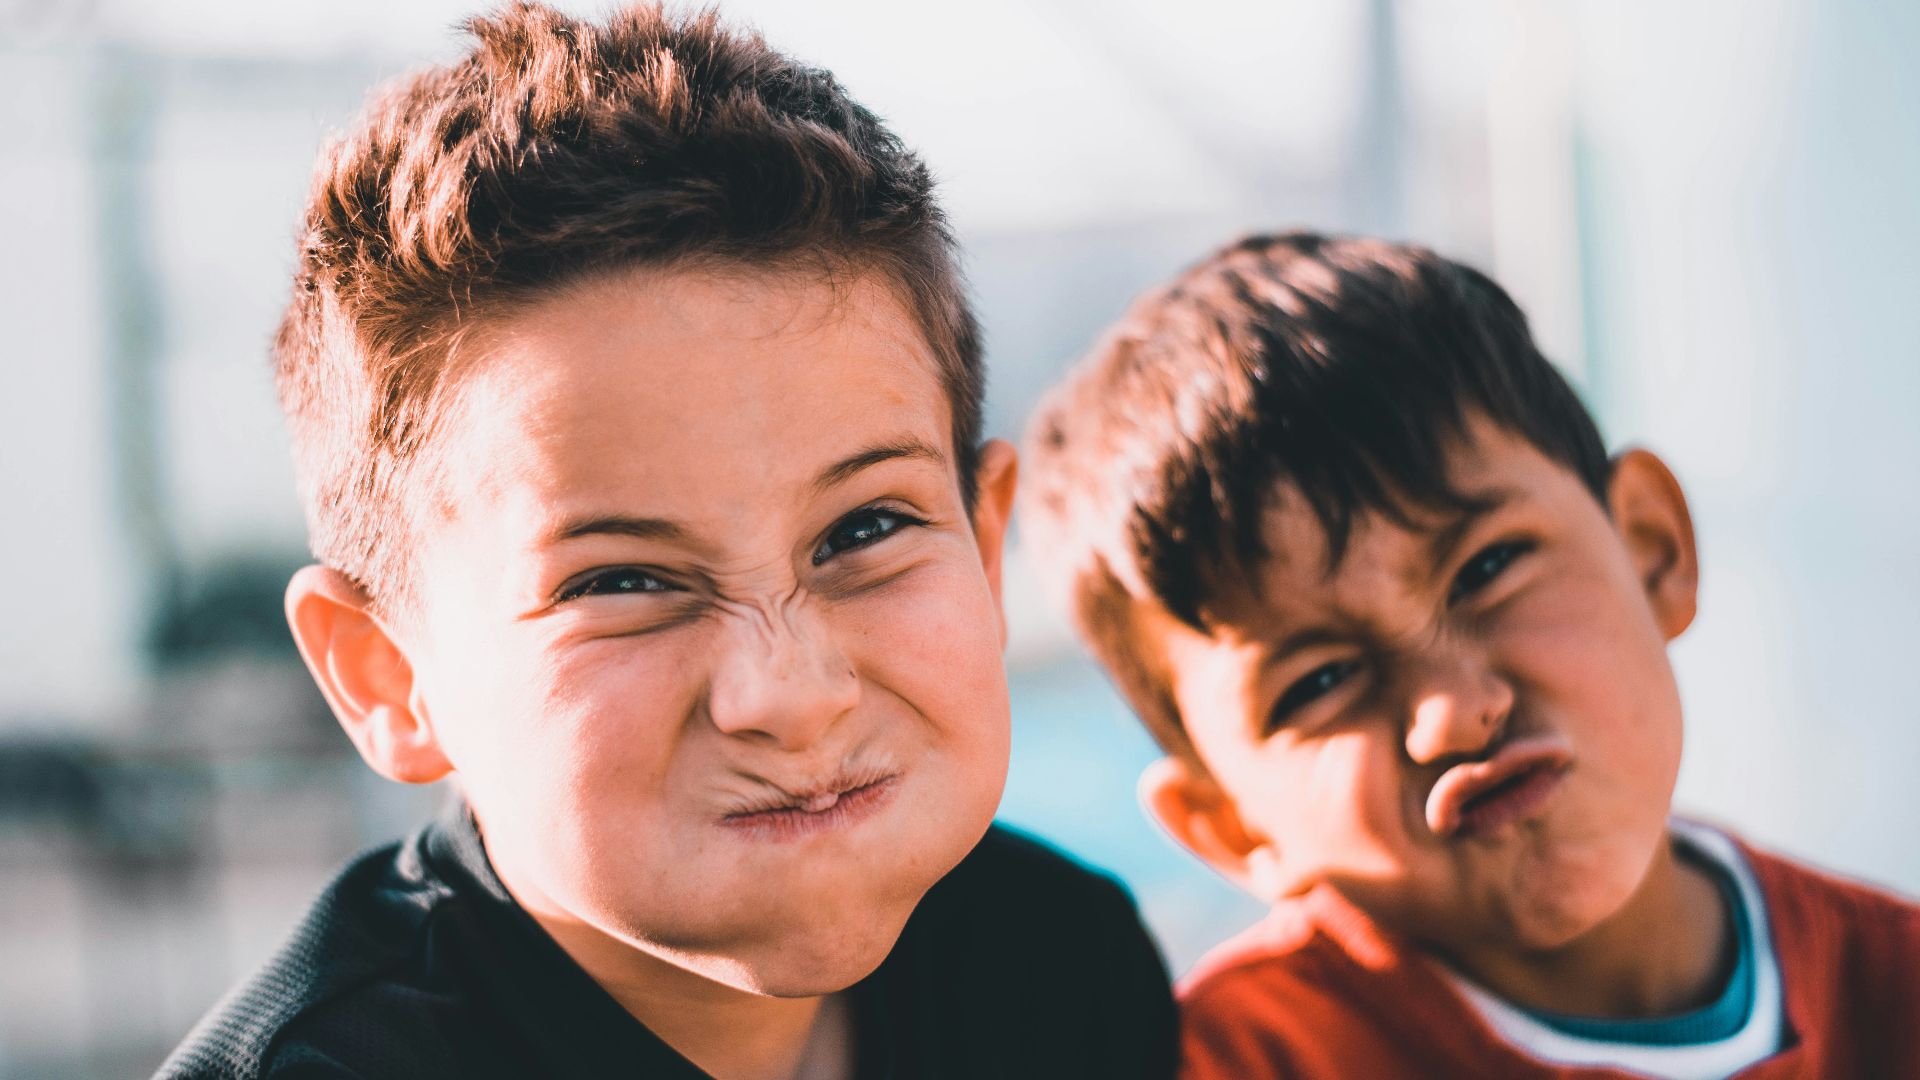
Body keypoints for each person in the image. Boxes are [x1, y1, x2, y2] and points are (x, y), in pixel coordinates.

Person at [159, 5, 1176, 1077]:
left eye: (863, 530)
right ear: (389, 677)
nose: (789, 694)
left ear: (985, 537)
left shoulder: (1059, 967)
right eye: (623, 580)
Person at [1019, 231, 1920, 1078]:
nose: (1452, 713)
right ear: (1228, 825)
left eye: (1488, 568)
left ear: (1653, 550)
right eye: (1320, 681)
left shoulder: (1891, 988)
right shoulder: (1234, 1061)